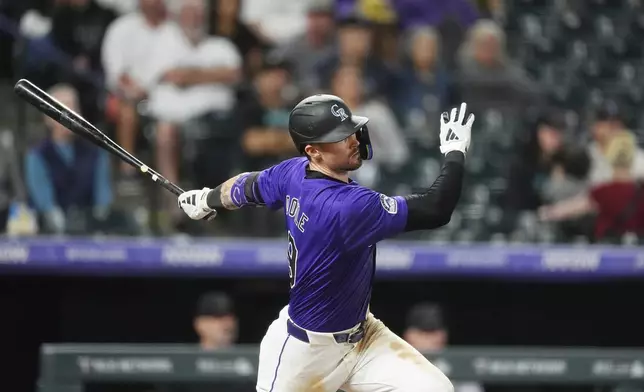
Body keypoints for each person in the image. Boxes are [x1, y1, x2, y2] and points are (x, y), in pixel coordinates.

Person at [177, 95, 473, 391]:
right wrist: (455, 151)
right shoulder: (344, 207)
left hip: (363, 338)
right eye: (340, 137)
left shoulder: (292, 172)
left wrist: (207, 198)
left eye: (350, 131)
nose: (353, 140)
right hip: (305, 354)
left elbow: (247, 186)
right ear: (313, 151)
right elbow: (436, 209)